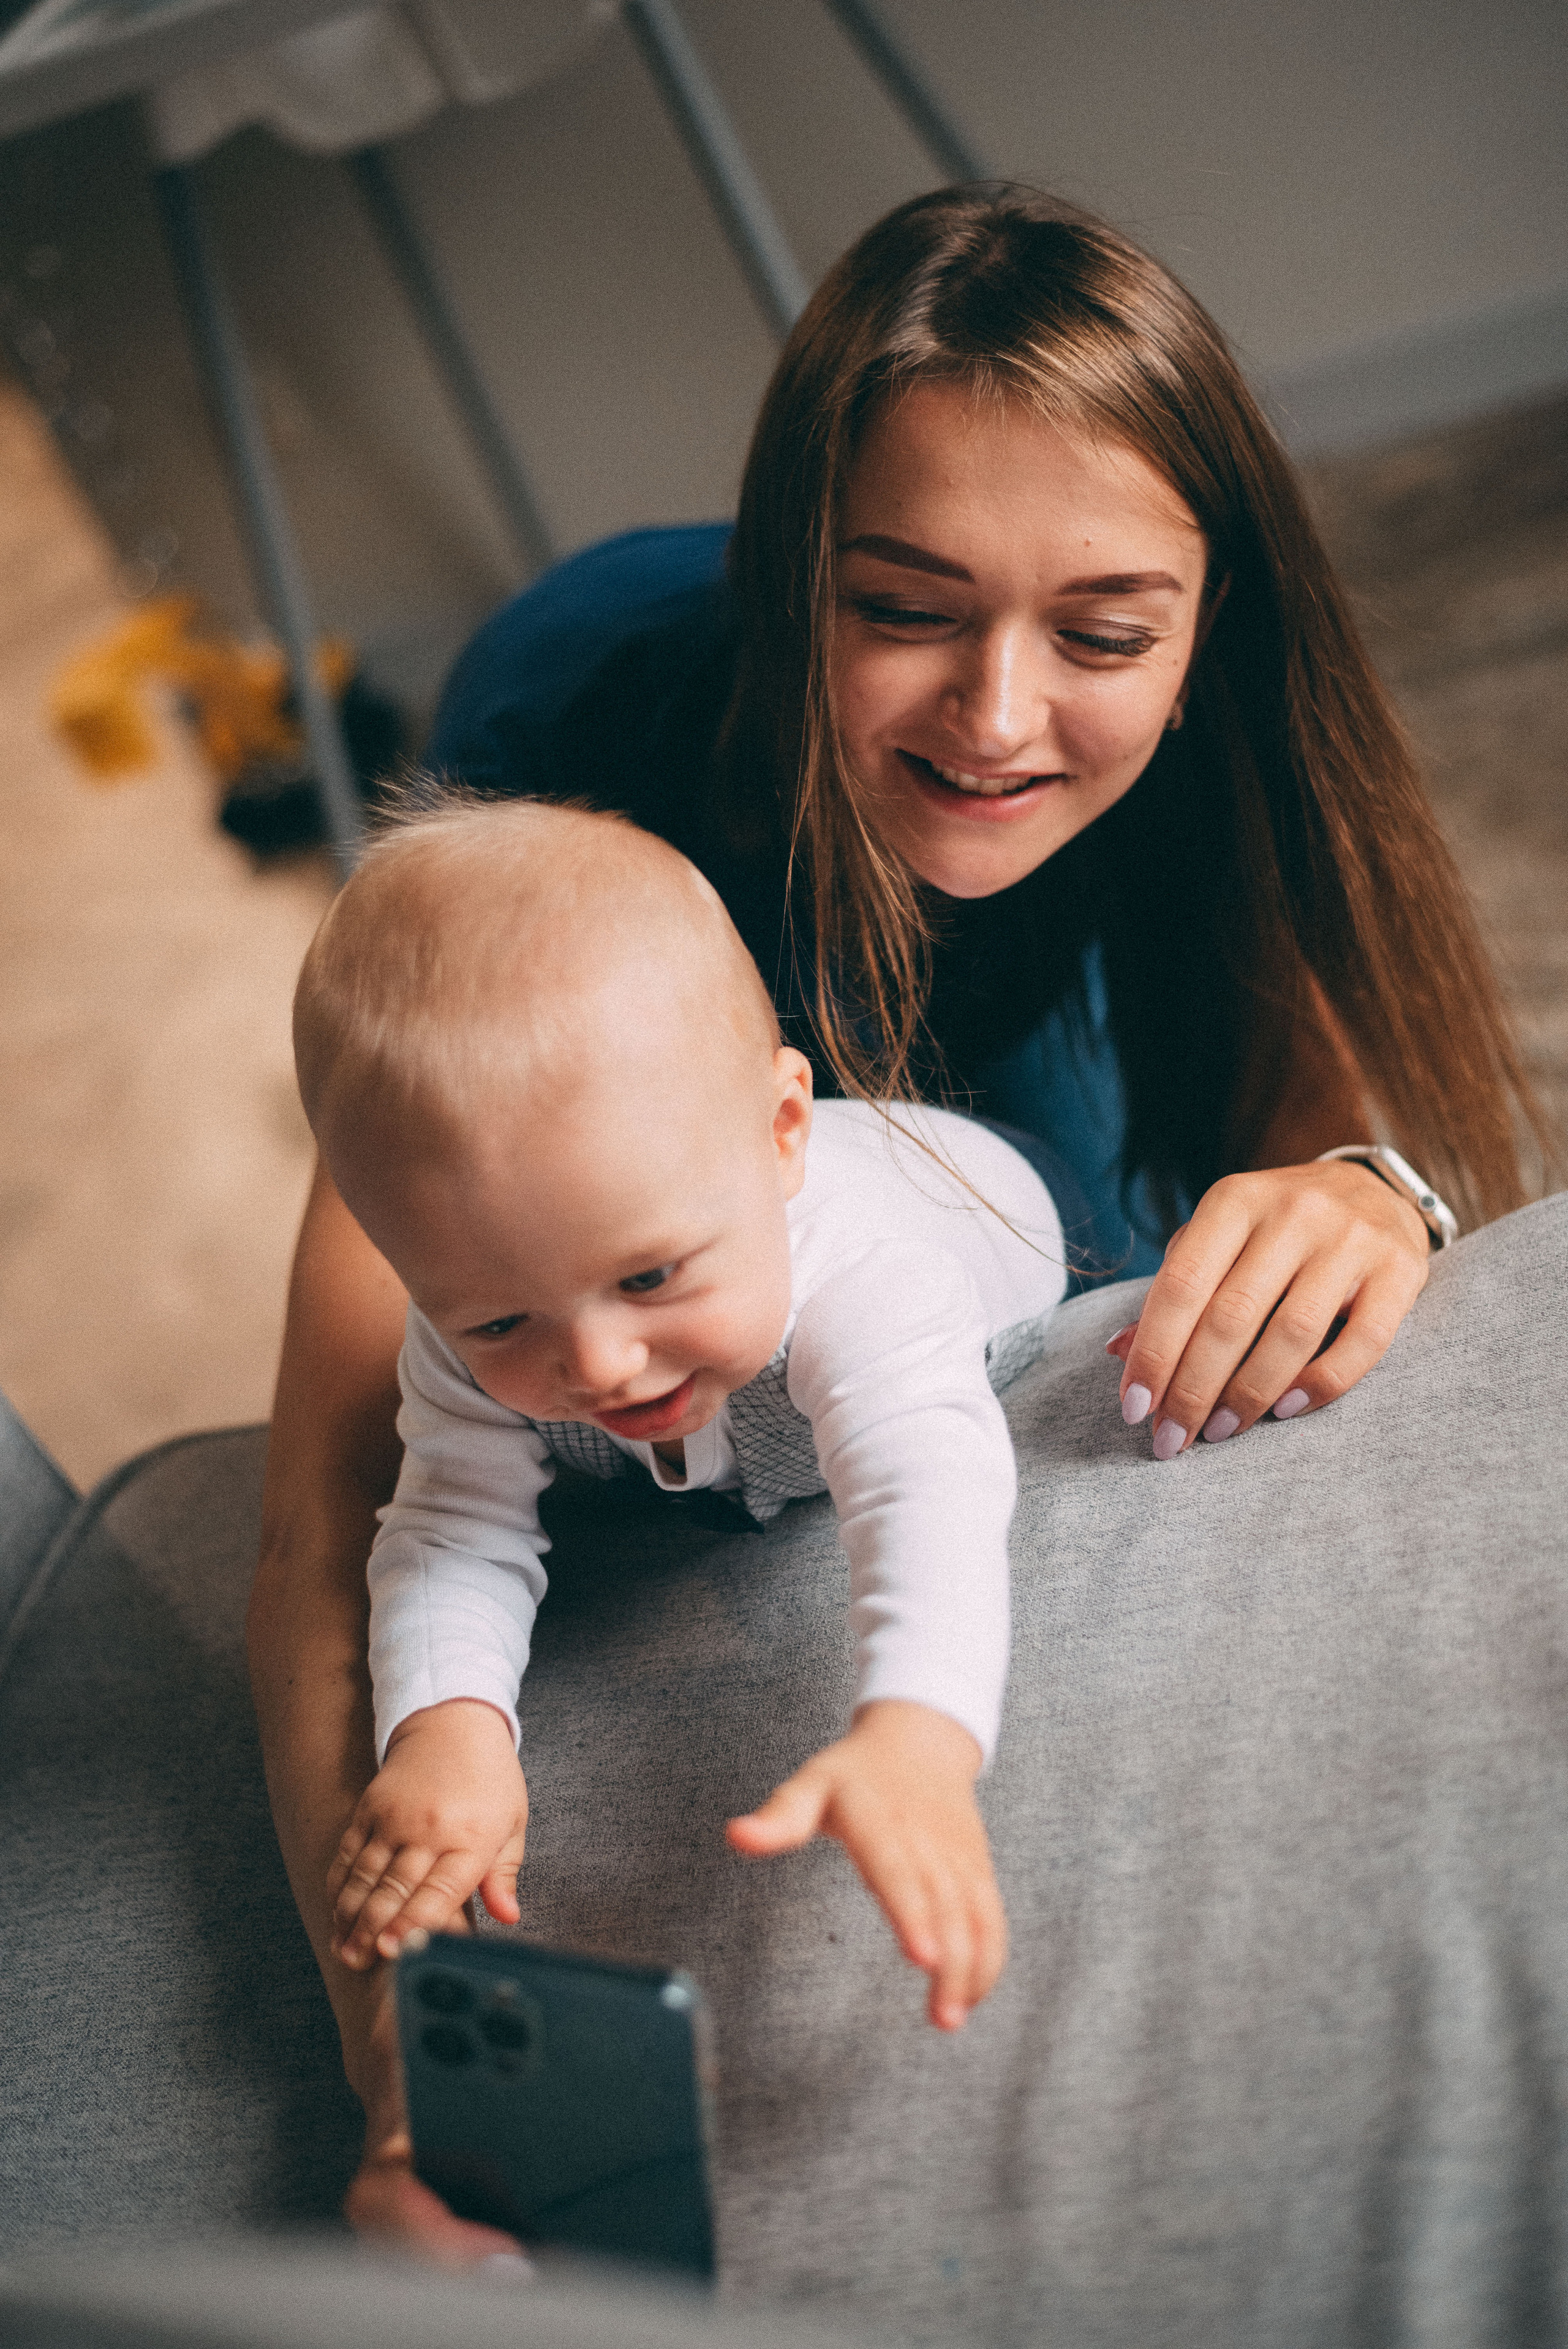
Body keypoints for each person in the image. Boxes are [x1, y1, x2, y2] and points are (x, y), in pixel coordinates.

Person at [250, 185, 1548, 2255]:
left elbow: (1325, 1092)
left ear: (1203, 634)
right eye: (906, 607)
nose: (1001, 717)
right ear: (791, 578)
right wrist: (413, 2088)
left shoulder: (1201, 767)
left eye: (1107, 632)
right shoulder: (577, 773)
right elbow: (337, 1511)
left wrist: (1372, 1187)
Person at [294, 790, 1068, 2034]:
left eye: (649, 1277)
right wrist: (446, 1727)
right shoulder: (457, 1330)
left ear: (777, 1137)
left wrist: (918, 1735)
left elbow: (925, 1483)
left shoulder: (867, 1285)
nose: (597, 1364)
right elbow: (447, 1523)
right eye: (500, 1322)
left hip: (1021, 1211)